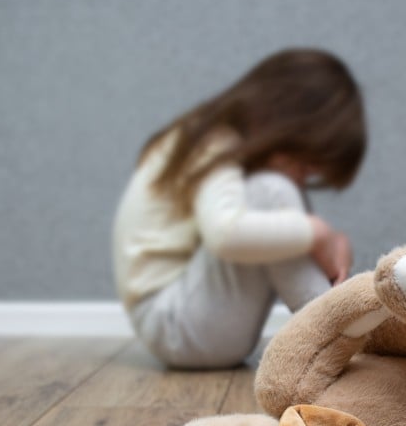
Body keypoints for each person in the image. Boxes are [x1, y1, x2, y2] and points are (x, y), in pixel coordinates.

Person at [112, 48, 367, 369]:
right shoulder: (213, 142)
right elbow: (226, 234)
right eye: (304, 165)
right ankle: (334, 335)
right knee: (273, 190)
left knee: (275, 201)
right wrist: (317, 232)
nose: (303, 179)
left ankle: (333, 321)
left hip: (185, 325)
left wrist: (327, 244)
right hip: (175, 325)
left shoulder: (213, 139)